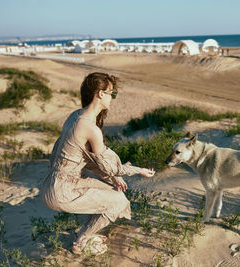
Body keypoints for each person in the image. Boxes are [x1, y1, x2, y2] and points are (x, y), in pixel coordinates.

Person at [41, 72, 155, 255]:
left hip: (52, 183)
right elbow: (111, 167)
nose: (112, 98)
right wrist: (138, 170)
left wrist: (114, 179)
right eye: (112, 93)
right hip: (62, 190)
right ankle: (82, 241)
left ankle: (84, 235)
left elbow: (89, 161)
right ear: (100, 94)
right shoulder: (90, 128)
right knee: (118, 201)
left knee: (112, 190)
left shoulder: (75, 116)